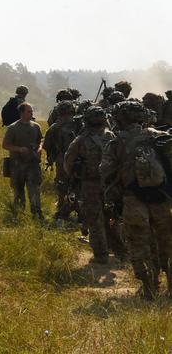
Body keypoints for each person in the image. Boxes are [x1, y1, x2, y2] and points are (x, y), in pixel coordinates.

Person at [100, 100, 172, 299]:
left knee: (139, 243)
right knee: (167, 242)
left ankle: (149, 289)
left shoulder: (116, 142)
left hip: (133, 200)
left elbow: (105, 173)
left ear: (120, 118)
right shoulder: (160, 137)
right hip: (162, 199)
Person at [64, 106, 124, 264]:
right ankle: (120, 251)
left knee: (94, 218)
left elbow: (68, 162)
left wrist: (74, 176)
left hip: (90, 184)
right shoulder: (111, 136)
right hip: (111, 185)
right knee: (112, 216)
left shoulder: (81, 139)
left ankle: (101, 254)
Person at [2, 102, 44, 219]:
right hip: (17, 165)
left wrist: (39, 149)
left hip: (33, 164)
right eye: (29, 111)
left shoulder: (36, 127)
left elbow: (40, 141)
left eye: (32, 111)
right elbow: (5, 145)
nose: (31, 113)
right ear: (22, 113)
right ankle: (19, 214)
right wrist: (19, 149)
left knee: (34, 190)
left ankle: (36, 214)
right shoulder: (13, 128)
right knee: (18, 190)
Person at [44, 101, 78, 222]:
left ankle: (62, 208)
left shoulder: (55, 127)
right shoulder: (79, 124)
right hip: (77, 161)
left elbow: (47, 145)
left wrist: (50, 157)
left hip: (61, 160)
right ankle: (77, 209)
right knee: (76, 185)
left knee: (62, 185)